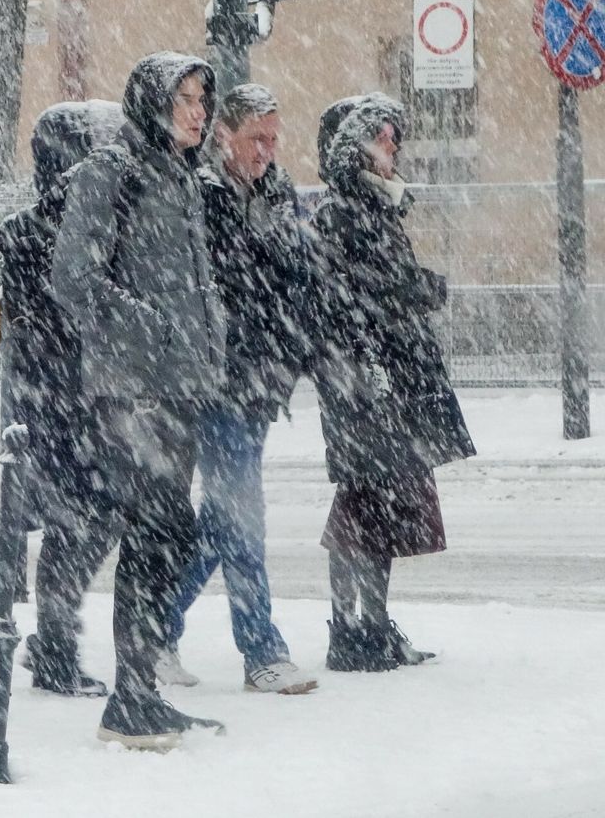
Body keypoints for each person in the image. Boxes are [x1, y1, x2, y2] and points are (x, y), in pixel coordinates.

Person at [51, 52, 227, 749]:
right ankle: (130, 697)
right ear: (153, 101)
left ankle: (140, 688)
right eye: (184, 98)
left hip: (178, 385)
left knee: (169, 535)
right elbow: (73, 277)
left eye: (201, 99)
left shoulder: (181, 178)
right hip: (130, 387)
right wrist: (145, 326)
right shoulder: (113, 172)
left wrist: (207, 342)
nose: (197, 110)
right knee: (159, 530)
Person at [157, 85, 319, 695]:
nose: (268, 152)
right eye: (258, 139)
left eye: (275, 140)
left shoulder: (274, 193)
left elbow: (297, 276)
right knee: (241, 515)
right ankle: (261, 651)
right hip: (219, 384)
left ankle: (152, 630)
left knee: (222, 519)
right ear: (225, 135)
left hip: (258, 385)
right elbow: (223, 288)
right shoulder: (200, 197)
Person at [311, 94, 475, 671]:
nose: (394, 145)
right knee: (360, 502)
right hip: (365, 383)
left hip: (389, 381)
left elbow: (380, 287)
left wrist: (409, 291)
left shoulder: (376, 207)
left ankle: (373, 625)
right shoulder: (341, 212)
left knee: (384, 506)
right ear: (354, 146)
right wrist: (417, 290)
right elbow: (354, 296)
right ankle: (346, 629)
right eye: (383, 136)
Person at [0, 100, 126, 698]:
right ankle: (53, 646)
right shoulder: (42, 230)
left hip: (77, 398)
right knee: (79, 523)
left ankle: (53, 640)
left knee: (81, 524)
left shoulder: (84, 220)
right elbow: (59, 313)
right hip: (59, 399)